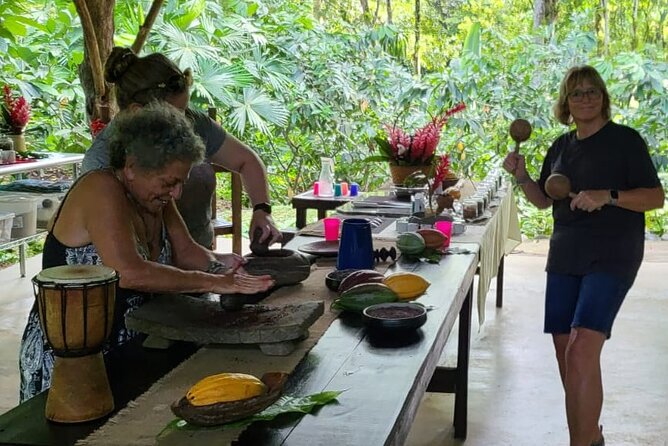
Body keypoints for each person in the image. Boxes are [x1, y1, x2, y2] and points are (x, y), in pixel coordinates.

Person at [19, 103, 274, 401]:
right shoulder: (100, 189)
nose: (176, 193)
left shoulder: (154, 198)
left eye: (181, 182)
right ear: (131, 167)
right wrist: (213, 282)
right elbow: (129, 272)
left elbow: (186, 251)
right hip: (76, 356)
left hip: (138, 341)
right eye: (169, 182)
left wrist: (227, 270)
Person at [503, 65, 664, 446]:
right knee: (568, 356)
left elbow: (655, 198)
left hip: (613, 253)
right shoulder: (560, 146)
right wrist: (523, 177)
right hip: (565, 253)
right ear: (566, 103)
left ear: (603, 97)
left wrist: (607, 196)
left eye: (592, 91)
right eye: (577, 93)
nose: (586, 98)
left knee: (580, 352)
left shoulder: (626, 141)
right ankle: (591, 438)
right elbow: (544, 201)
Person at [82, 46, 282, 249]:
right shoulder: (100, 164)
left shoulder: (193, 123)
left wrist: (261, 209)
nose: (185, 122)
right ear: (137, 112)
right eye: (175, 113)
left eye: (185, 111)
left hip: (197, 254)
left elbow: (246, 161)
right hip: (144, 267)